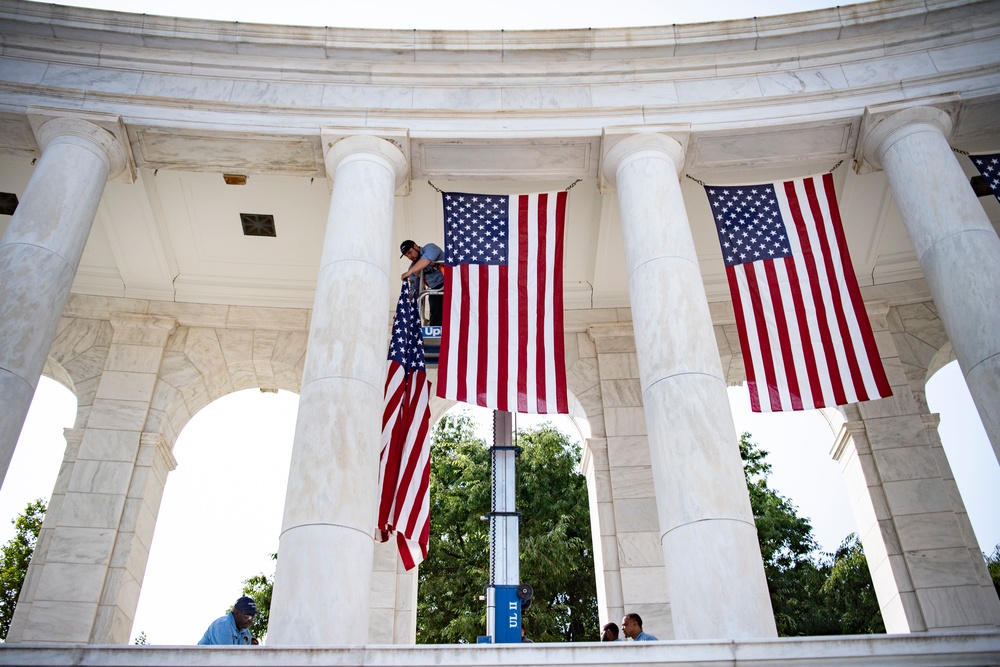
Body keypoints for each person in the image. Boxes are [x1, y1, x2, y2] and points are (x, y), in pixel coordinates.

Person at [400, 239, 445, 326]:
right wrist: (405, 304)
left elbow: (427, 259)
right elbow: (415, 290)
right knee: (434, 305)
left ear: (416, 246)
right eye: (406, 256)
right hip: (435, 290)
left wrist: (410, 272)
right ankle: (435, 331)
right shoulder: (413, 268)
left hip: (452, 284)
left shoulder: (430, 248)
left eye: (410, 252)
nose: (410, 257)